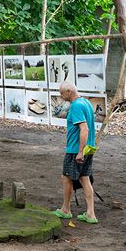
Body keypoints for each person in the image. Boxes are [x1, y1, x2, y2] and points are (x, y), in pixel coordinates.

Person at [53, 81, 98, 224]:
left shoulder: (76, 106)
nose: (61, 96)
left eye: (62, 93)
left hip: (75, 150)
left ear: (69, 92)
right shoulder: (86, 102)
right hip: (88, 149)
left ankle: (65, 209)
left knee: (66, 177)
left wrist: (80, 152)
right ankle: (90, 214)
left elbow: (84, 129)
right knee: (84, 178)